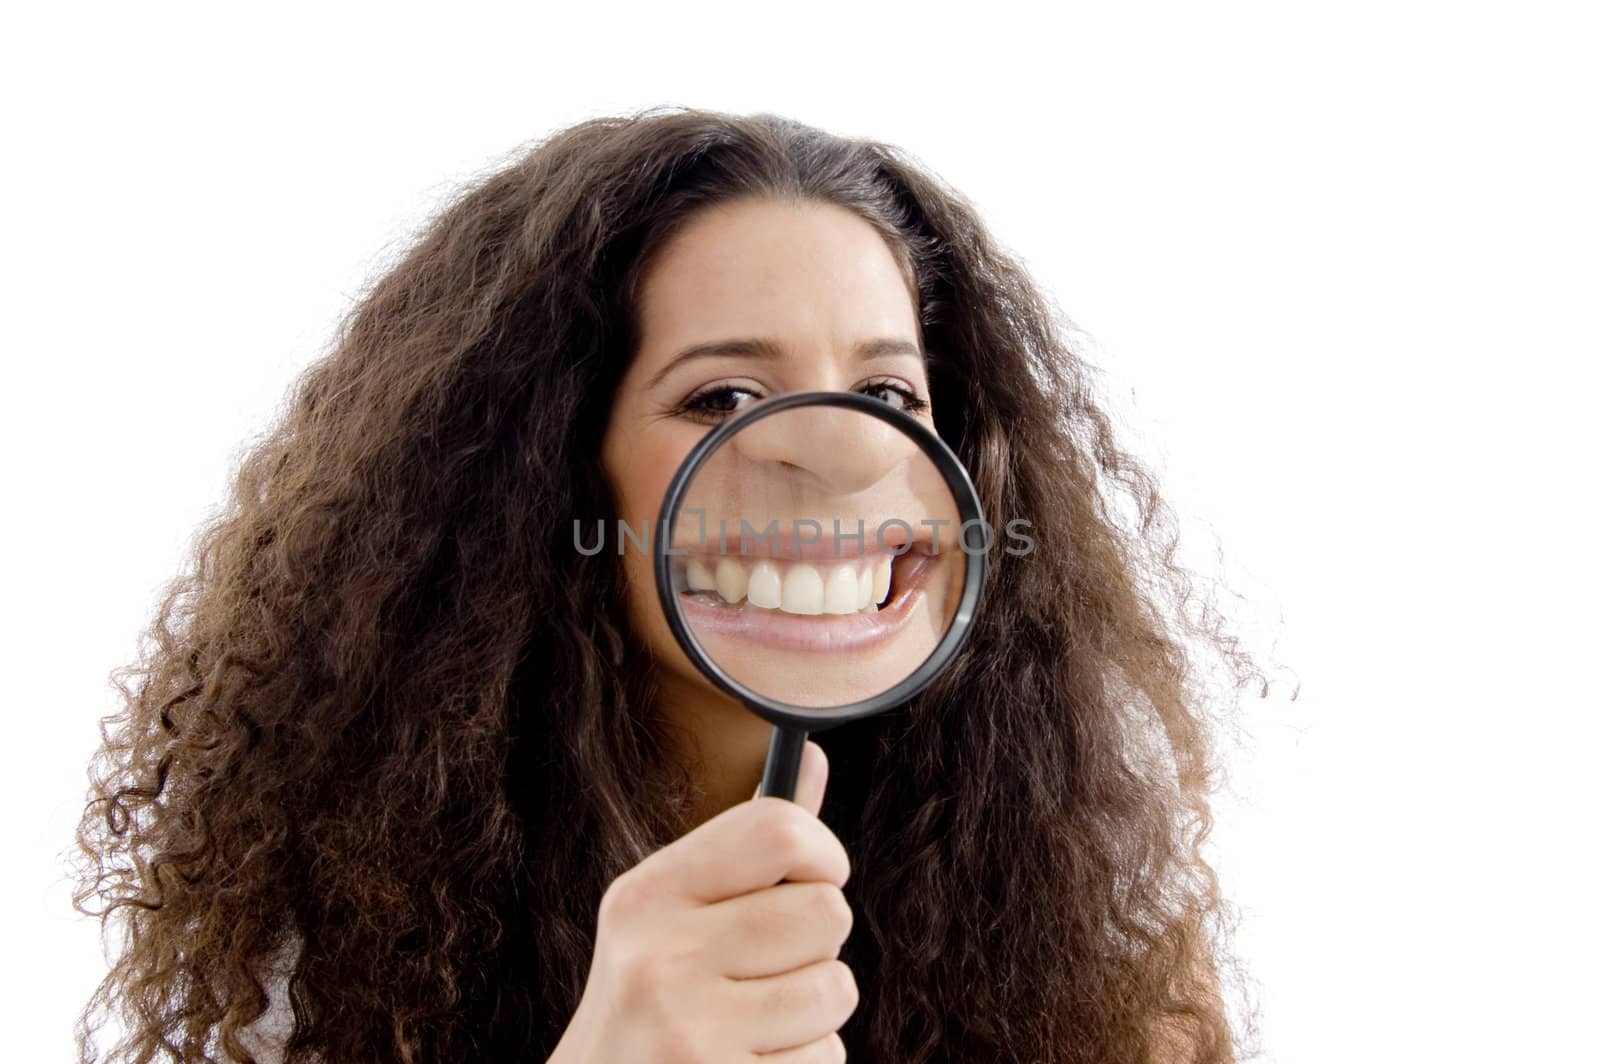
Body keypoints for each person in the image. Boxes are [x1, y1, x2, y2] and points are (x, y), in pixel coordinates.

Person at [72, 106, 1272, 1063]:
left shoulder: (1086, 898)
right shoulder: (326, 938)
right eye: (721, 400)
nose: (834, 457)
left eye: (892, 399)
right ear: (544, 478)